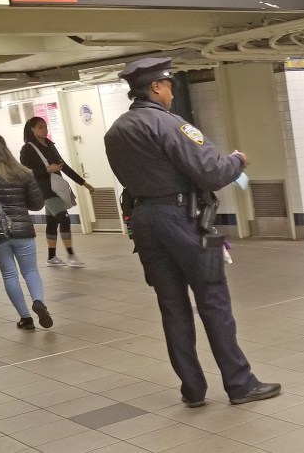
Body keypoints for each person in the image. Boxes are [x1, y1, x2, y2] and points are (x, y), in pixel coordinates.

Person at [103, 56, 280, 408]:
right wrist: (237, 161)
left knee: (172, 308)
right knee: (213, 302)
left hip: (144, 221)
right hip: (183, 220)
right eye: (168, 84)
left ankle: (193, 390)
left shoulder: (116, 131)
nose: (171, 90)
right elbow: (211, 172)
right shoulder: (171, 126)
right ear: (156, 87)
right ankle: (240, 385)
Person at [0, 134, 53, 330]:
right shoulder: (24, 173)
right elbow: (36, 204)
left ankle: (25, 318)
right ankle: (38, 302)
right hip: (23, 230)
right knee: (30, 270)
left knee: (9, 275)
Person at [20, 116, 95, 267]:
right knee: (64, 218)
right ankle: (71, 255)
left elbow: (64, 166)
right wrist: (47, 169)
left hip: (56, 187)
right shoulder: (27, 148)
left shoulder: (49, 145)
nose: (44, 129)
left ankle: (51, 257)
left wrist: (84, 183)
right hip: (45, 189)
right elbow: (25, 172)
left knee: (52, 222)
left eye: (45, 126)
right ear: (32, 129)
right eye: (40, 127)